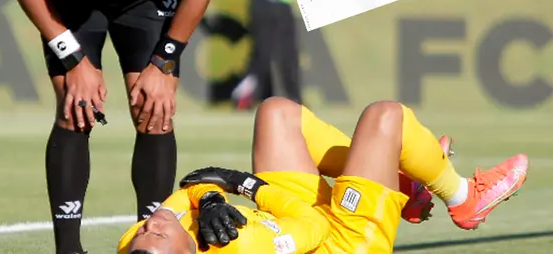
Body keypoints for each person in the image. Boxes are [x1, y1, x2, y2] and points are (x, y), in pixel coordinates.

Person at [12, 0, 223, 254]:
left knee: (154, 110)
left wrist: (165, 62)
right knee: (76, 109)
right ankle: (68, 250)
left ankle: (150, 239)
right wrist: (72, 59)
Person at [118, 98, 529, 253]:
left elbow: (190, 188)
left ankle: (398, 179)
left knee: (277, 113)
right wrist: (244, 185)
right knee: (385, 117)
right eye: (157, 235)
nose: (151, 223)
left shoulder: (134, 246)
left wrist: (208, 198)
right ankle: (463, 199)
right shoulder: (238, 246)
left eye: (143, 234)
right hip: (341, 240)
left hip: (287, 217)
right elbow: (312, 227)